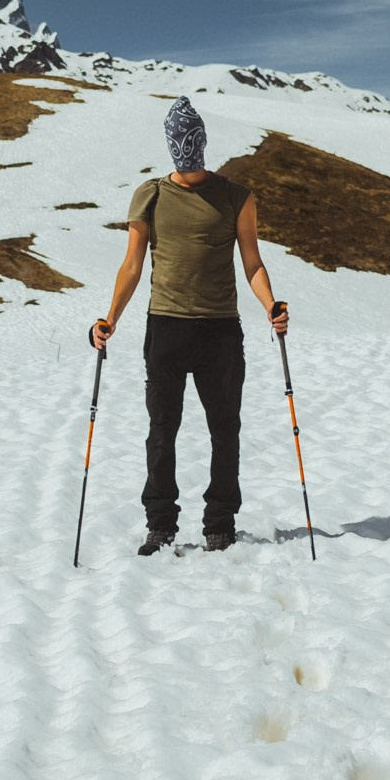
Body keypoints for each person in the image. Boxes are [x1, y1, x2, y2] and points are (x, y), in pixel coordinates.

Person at [90, 95, 288, 554]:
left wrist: (271, 306)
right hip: (166, 327)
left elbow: (252, 264)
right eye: (180, 140)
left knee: (225, 428)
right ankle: (161, 524)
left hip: (220, 328)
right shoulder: (151, 195)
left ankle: (219, 523)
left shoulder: (237, 197)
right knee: (163, 429)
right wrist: (109, 319)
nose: (187, 147)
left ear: (204, 141)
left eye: (192, 139)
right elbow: (132, 266)